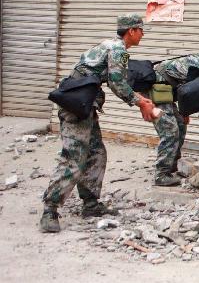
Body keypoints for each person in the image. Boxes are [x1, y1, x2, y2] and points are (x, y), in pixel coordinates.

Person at [40, 14, 157, 233]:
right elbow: (117, 82)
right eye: (141, 30)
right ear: (131, 31)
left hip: (85, 104)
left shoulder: (108, 45)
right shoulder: (118, 49)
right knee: (73, 156)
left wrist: (139, 98)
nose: (142, 35)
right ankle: (50, 209)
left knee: (96, 153)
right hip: (77, 104)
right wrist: (141, 102)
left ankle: (91, 204)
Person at [152, 38, 199, 187]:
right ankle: (161, 174)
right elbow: (189, 92)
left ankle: (173, 163)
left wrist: (184, 113)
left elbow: (186, 90)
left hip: (166, 92)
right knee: (170, 130)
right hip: (156, 90)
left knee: (180, 124)